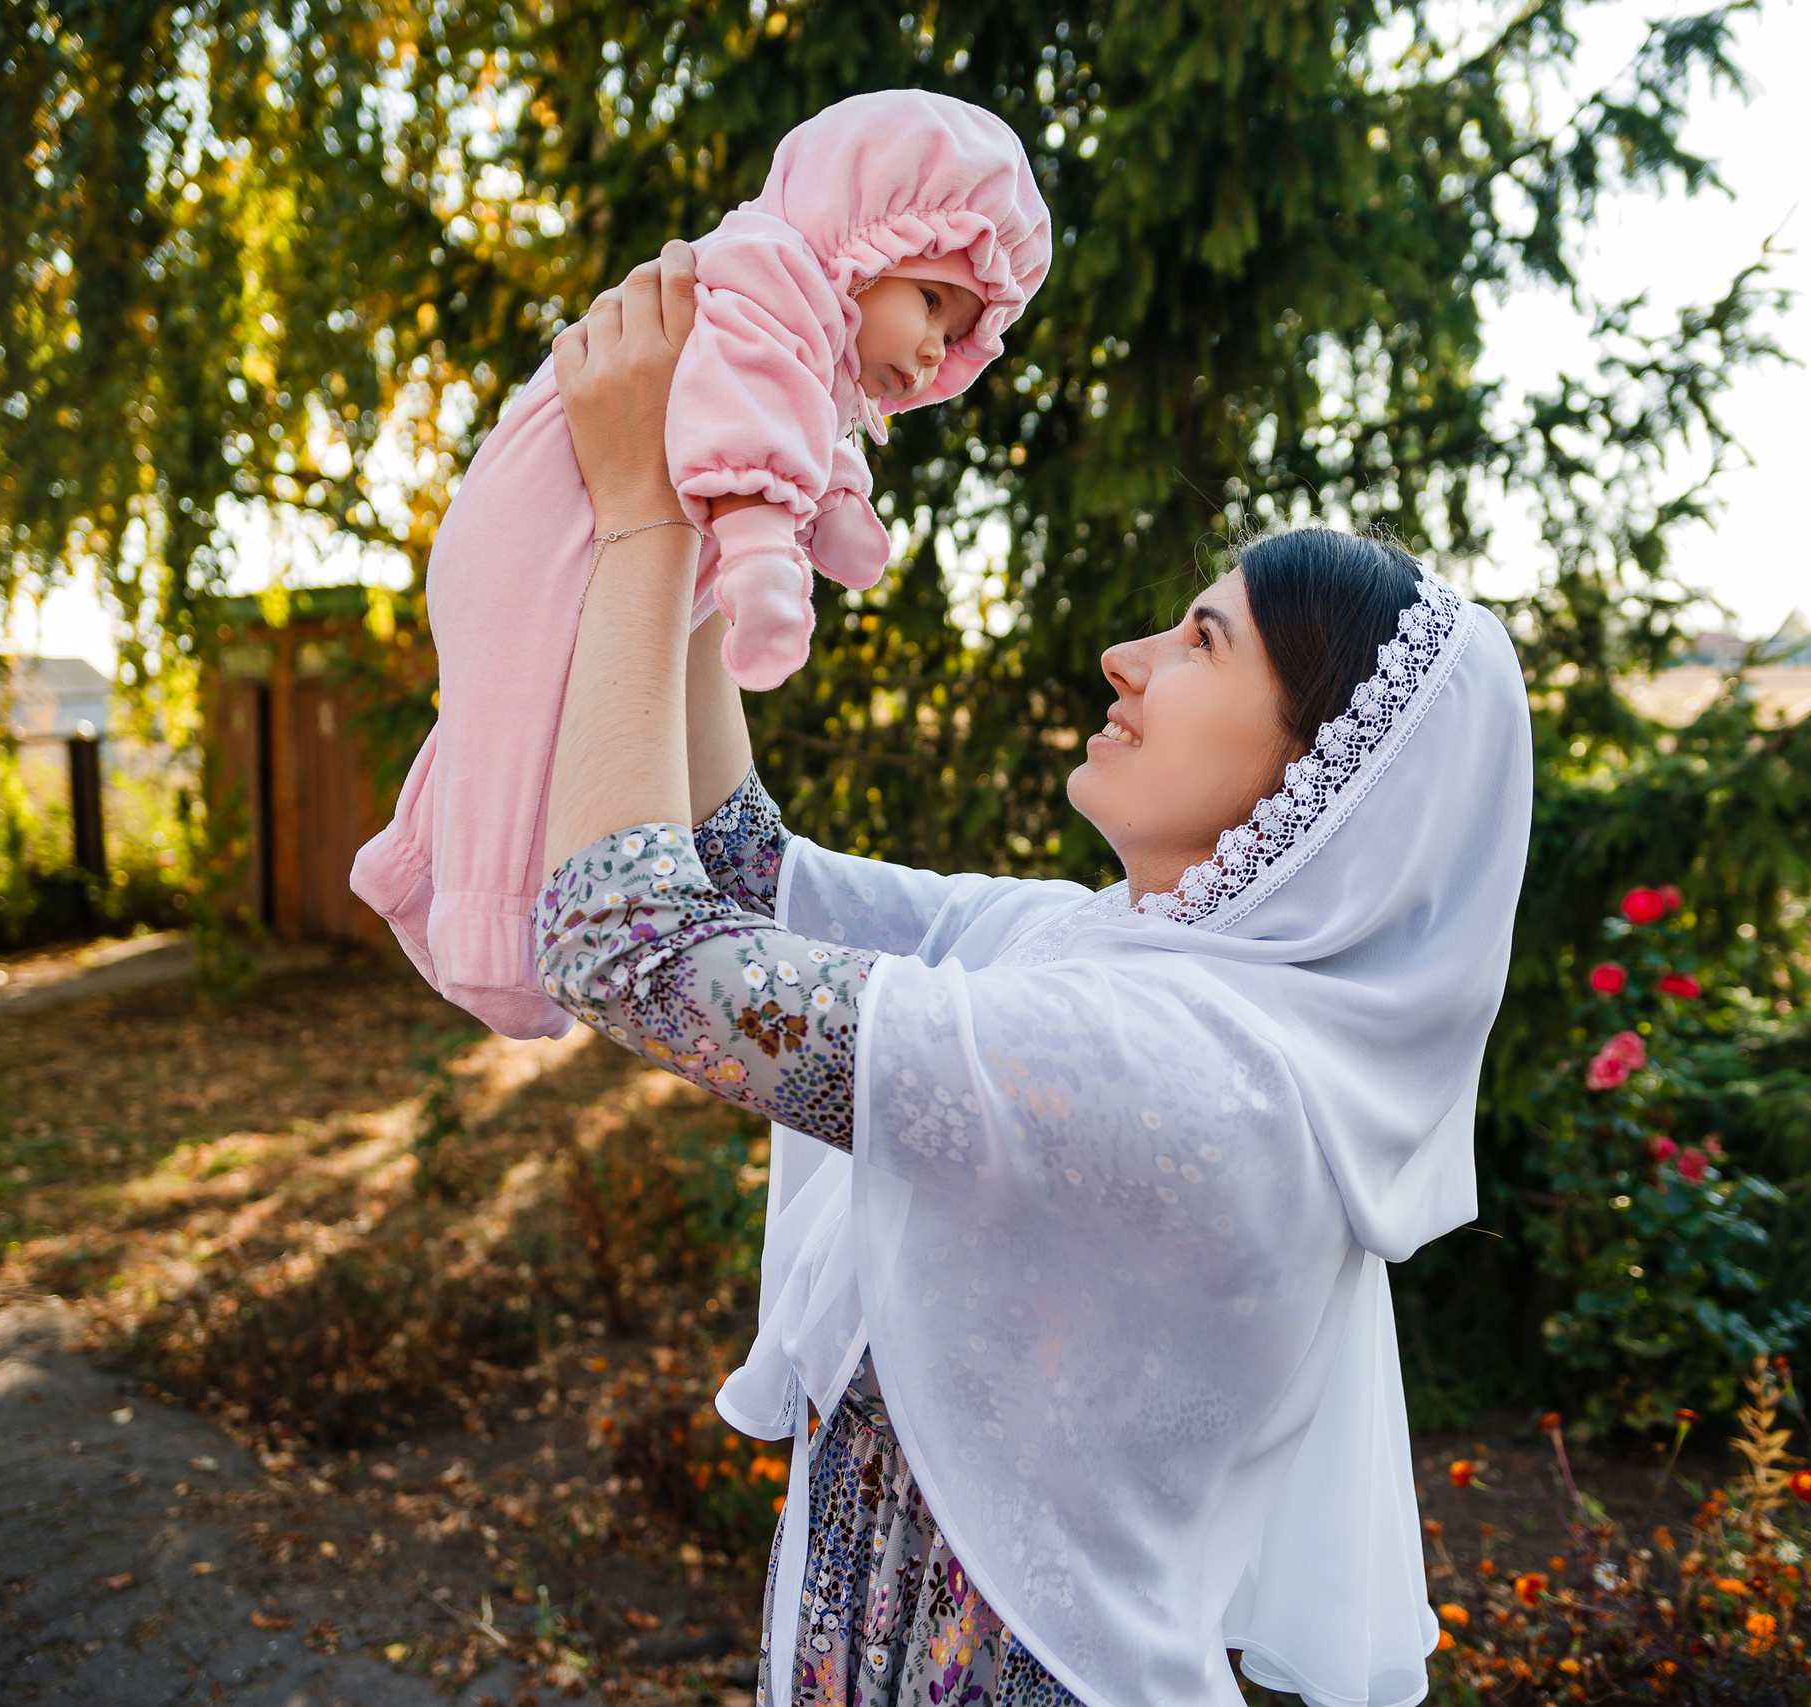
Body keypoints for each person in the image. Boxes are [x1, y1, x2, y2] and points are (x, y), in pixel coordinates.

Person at [535, 246, 1533, 1707]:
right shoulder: (1095, 952)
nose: (1128, 657)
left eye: (1202, 640)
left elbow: (630, 946)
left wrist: (632, 525)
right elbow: (741, 876)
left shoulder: (1183, 1064)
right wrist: (697, 506)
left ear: (1328, 778)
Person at [352, 90, 1052, 1039]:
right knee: (520, 735)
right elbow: (744, 434)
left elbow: (788, 428)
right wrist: (770, 562)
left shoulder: (803, 341)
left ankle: (411, 856)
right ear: (867, 244)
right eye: (929, 300)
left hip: (602, 522)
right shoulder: (768, 283)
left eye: (956, 330)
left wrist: (832, 494)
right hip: (544, 529)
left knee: (529, 726)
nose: (936, 349)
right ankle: (483, 936)